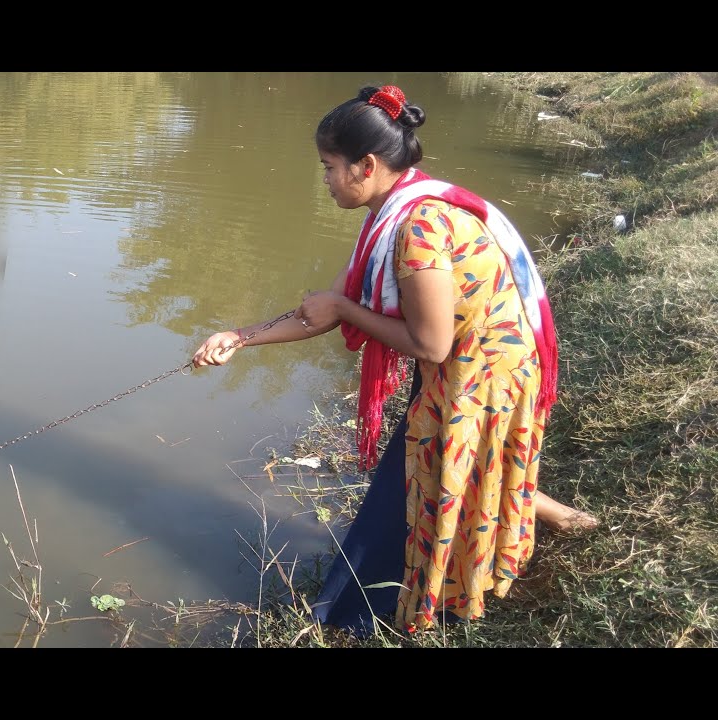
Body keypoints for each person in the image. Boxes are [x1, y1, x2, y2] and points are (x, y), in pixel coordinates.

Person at [192, 85, 599, 636]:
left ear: (366, 165)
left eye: (329, 168)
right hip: (481, 360)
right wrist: (241, 337)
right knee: (474, 466)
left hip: (483, 374)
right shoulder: (399, 205)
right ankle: (560, 518)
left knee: (419, 488)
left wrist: (343, 308)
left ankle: (403, 607)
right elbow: (328, 310)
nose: (327, 181)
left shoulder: (417, 229)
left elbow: (428, 345)